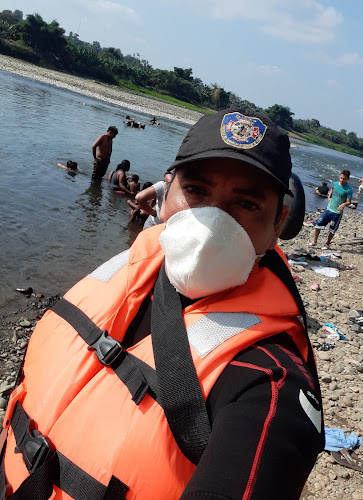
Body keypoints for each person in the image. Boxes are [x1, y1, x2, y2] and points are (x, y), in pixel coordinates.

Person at [2, 108, 323, 499]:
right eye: (197, 191)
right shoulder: (127, 271)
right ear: (165, 193)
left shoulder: (267, 381)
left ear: (277, 226)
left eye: (247, 205)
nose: (211, 223)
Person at [310, 170, 352, 248]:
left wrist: (344, 204)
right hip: (328, 209)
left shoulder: (348, 189)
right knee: (318, 225)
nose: (342, 180)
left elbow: (349, 202)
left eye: (344, 179)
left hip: (337, 213)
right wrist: (329, 197)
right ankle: (314, 242)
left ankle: (327, 244)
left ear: (347, 179)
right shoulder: (335, 184)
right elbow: (331, 190)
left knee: (332, 230)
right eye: (341, 178)